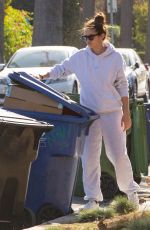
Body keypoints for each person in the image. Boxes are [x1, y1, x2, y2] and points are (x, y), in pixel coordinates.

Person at [36, 12, 140, 210]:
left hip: (112, 113)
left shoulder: (115, 57)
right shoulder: (80, 57)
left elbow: (123, 85)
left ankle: (131, 193)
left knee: (118, 155)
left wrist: (126, 114)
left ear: (102, 36)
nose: (87, 41)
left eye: (90, 37)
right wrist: (45, 75)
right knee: (89, 157)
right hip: (89, 115)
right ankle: (92, 200)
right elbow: (62, 68)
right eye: (84, 37)